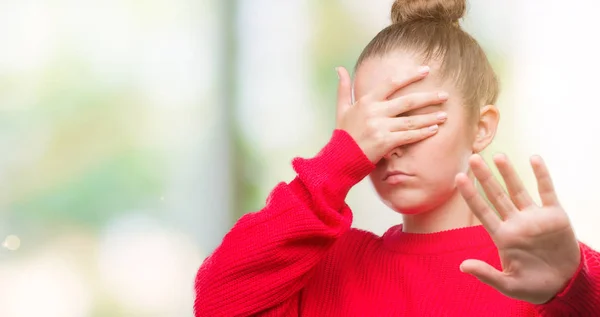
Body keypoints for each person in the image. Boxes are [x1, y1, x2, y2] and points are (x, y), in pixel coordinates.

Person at [194, 0, 600, 315]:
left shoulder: (537, 265)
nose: (390, 145)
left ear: (482, 128)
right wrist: (338, 161)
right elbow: (217, 303)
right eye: (372, 124)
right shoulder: (329, 268)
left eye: (411, 118)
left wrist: (572, 287)